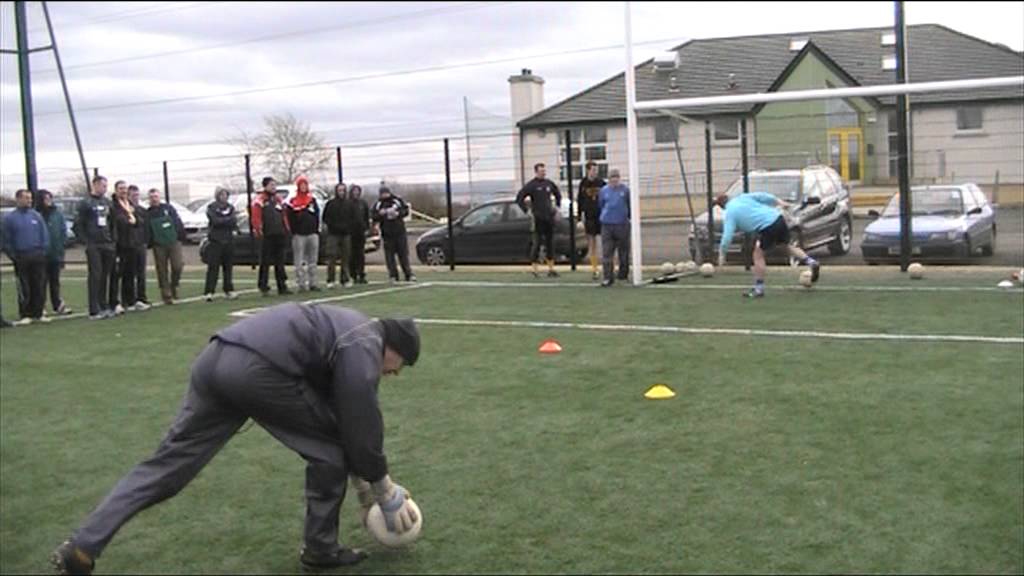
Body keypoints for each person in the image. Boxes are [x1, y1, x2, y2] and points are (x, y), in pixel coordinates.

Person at [51, 304, 422, 576]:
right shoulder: (365, 342)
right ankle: (320, 550)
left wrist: (363, 490)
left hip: (215, 358)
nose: (393, 374)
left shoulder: (348, 325)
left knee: (166, 466)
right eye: (399, 367)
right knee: (328, 455)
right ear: (394, 348)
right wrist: (383, 490)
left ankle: (82, 547)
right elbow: (360, 420)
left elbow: (338, 419)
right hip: (257, 370)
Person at [715, 192, 820, 298]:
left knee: (758, 255)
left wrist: (722, 254)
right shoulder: (742, 198)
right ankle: (811, 261)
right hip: (778, 218)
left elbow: (727, 236)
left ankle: (758, 289)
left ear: (722, 207)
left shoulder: (730, 213)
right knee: (786, 246)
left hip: (767, 227)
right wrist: (778, 201)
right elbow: (763, 196)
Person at [2, 189, 50, 325]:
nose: (29, 200)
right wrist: (13, 255)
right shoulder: (10, 218)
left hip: (37, 255)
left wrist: (43, 251)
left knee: (39, 285)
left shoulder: (36, 216)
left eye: (30, 198)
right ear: (18, 199)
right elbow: (6, 240)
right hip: (21, 255)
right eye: (26, 198)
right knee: (24, 286)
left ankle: (38, 312)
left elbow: (44, 234)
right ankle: (25, 313)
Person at [76, 176, 116, 320]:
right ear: (95, 185)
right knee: (95, 275)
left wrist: (112, 241)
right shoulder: (85, 203)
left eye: (106, 186)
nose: (105, 188)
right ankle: (94, 309)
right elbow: (78, 224)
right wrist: (86, 241)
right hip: (94, 245)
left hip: (107, 244)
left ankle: (103, 305)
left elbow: (112, 223)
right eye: (103, 185)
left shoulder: (107, 203)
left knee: (105, 275)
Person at [516, 162, 562, 278]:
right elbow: (519, 198)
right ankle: (535, 269)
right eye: (541, 171)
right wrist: (527, 211)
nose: (543, 173)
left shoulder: (549, 184)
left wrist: (557, 208)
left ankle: (551, 269)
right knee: (536, 243)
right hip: (538, 218)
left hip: (549, 218)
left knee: (550, 244)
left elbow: (558, 194)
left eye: (544, 171)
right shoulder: (531, 185)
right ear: (536, 172)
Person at [109, 182, 147, 314]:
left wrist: (135, 221)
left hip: (132, 244)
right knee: (116, 275)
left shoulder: (129, 205)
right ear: (116, 190)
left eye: (125, 189)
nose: (123, 191)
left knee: (129, 274)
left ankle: (129, 300)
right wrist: (127, 220)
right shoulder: (113, 206)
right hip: (119, 245)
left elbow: (139, 221)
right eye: (121, 189)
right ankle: (114, 302)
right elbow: (115, 222)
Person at [146, 189, 186, 306]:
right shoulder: (148, 213)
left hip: (173, 242)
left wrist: (180, 236)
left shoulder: (168, 208)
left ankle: (174, 285)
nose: (154, 199)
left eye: (156, 196)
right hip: (158, 244)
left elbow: (177, 222)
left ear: (160, 197)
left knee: (177, 265)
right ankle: (166, 293)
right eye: (152, 197)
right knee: (162, 270)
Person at [252, 177, 292, 296]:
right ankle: (263, 286)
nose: (274, 187)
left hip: (279, 234)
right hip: (267, 235)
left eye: (275, 185)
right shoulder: (260, 200)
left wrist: (286, 229)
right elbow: (256, 217)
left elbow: (284, 214)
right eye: (271, 185)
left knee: (280, 262)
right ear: (265, 186)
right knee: (265, 262)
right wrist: (259, 230)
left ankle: (282, 286)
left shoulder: (278, 199)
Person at [37, 190, 72, 316]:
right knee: (41, 281)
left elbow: (63, 231)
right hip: (40, 254)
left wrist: (61, 247)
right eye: (46, 199)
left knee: (55, 281)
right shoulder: (36, 214)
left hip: (55, 253)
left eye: (50, 199)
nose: (48, 201)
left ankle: (57, 304)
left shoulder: (57, 214)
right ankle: (40, 306)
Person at [372, 186, 415, 284]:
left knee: (403, 255)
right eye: (382, 193)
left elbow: (405, 210)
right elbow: (374, 216)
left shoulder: (397, 200)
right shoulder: (378, 204)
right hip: (387, 234)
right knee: (390, 257)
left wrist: (398, 213)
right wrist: (380, 214)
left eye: (386, 193)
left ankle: (409, 274)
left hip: (399, 232)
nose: (384, 195)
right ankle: (393, 275)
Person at [286, 175, 322, 292]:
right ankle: (301, 283)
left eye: (305, 185)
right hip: (299, 235)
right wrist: (294, 230)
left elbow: (317, 215)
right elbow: (290, 217)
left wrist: (316, 229)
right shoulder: (293, 201)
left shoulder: (312, 200)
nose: (303, 187)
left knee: (313, 260)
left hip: (312, 233)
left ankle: (313, 283)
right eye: (301, 185)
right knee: (299, 261)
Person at [597, 169, 631, 287]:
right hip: (607, 225)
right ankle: (607, 277)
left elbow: (629, 205)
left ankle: (623, 274)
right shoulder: (604, 191)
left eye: (616, 177)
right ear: (609, 179)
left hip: (622, 224)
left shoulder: (625, 190)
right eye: (612, 177)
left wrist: (627, 217)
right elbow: (601, 205)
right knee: (607, 252)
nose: (614, 179)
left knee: (623, 251)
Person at [203, 188, 238, 301]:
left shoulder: (230, 207)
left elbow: (233, 220)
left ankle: (228, 289)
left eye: (225, 194)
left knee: (228, 267)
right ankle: (209, 291)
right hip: (215, 241)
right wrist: (225, 220)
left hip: (228, 240)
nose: (224, 196)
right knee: (213, 267)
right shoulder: (211, 207)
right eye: (221, 194)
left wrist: (225, 220)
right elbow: (215, 221)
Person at [577, 161, 605, 281]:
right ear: (588, 170)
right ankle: (595, 269)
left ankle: (609, 268)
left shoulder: (601, 183)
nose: (595, 172)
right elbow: (580, 201)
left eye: (596, 170)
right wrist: (579, 218)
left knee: (606, 243)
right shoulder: (583, 183)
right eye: (593, 170)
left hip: (602, 216)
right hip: (589, 217)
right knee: (592, 244)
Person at [322, 182, 352, 289]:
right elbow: (325, 218)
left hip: (346, 234)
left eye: (343, 190)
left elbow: (352, 218)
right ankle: (330, 279)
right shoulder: (330, 204)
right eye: (339, 190)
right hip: (333, 234)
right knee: (331, 257)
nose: (341, 192)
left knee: (346, 257)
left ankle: (345, 279)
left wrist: (348, 227)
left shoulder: (349, 204)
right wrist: (333, 226)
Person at [130, 186, 150, 307]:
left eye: (137, 195)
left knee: (141, 273)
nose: (135, 198)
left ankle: (142, 297)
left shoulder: (143, 210)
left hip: (141, 244)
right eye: (133, 195)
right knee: (130, 273)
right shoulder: (126, 211)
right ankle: (131, 298)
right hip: (130, 245)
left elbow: (146, 227)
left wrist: (146, 241)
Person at [347, 184, 371, 285]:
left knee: (360, 254)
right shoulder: (348, 203)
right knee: (351, 254)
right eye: (354, 191)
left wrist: (367, 228)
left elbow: (366, 217)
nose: (356, 193)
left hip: (361, 232)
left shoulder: (363, 203)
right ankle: (352, 274)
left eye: (358, 191)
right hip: (350, 232)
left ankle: (361, 274)